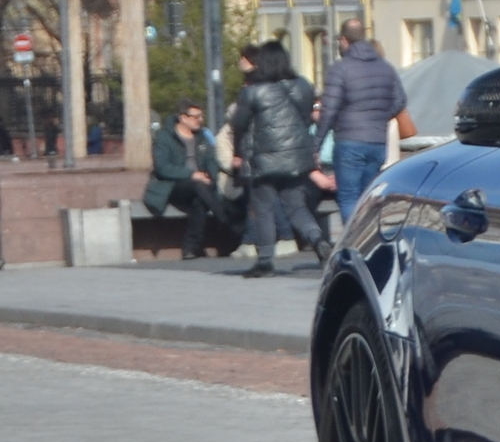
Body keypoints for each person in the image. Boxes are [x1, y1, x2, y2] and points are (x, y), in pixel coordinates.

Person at [226, 43, 324, 273]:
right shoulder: (303, 86)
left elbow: (239, 124)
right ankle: (319, 241)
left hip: (264, 158)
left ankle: (265, 260)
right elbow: (307, 116)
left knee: (263, 207)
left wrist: (238, 154)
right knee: (296, 207)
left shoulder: (253, 91)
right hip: (297, 157)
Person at [314, 18, 411, 226]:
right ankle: (369, 242)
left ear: (343, 40)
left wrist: (316, 144)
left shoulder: (340, 69)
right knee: (369, 196)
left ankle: (352, 244)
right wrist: (379, 116)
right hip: (377, 140)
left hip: (349, 140)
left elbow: (328, 110)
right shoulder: (386, 67)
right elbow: (400, 100)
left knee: (348, 196)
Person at [143, 98, 225, 256]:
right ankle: (225, 219)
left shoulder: (202, 136)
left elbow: (211, 160)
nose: (200, 120)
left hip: (201, 187)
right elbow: (162, 168)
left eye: (201, 116)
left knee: (199, 201)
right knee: (197, 186)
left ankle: (190, 248)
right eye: (196, 117)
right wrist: (192, 174)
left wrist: (211, 177)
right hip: (173, 186)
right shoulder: (164, 137)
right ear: (183, 118)